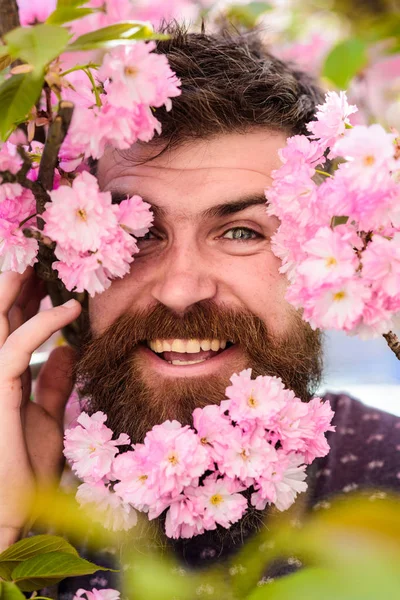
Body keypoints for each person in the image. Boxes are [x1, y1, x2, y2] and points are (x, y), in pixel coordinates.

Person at [0, 23, 398, 596]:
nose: (181, 289)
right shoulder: (30, 484)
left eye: (240, 232)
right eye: (138, 233)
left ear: (326, 256)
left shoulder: (387, 476)